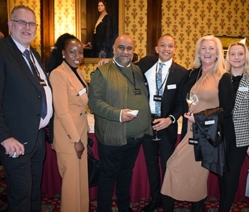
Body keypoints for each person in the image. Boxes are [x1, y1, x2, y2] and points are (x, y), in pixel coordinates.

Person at [161, 35, 234, 212]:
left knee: (191, 173)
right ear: (198, 52)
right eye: (203, 48)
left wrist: (200, 118)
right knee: (179, 168)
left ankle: (197, 207)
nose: (207, 52)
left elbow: (227, 110)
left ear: (217, 53)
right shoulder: (194, 73)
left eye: (211, 48)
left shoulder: (223, 77)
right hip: (189, 131)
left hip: (207, 135)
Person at [88, 34, 152, 212]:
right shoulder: (103, 72)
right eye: (121, 47)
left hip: (135, 138)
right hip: (113, 138)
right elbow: (94, 102)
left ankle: (124, 208)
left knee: (125, 175)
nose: (125, 51)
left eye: (129, 48)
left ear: (134, 51)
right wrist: (117, 115)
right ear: (114, 49)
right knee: (108, 177)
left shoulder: (137, 70)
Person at [0, 5, 53, 211]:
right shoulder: (3, 52)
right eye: (21, 22)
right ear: (10, 24)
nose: (27, 27)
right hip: (15, 139)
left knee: (33, 193)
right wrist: (4, 136)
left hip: (37, 137)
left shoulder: (34, 55)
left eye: (31, 24)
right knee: (20, 196)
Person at [137, 34, 188, 212]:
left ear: (175, 49)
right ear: (157, 49)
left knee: (167, 165)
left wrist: (170, 119)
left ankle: (168, 204)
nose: (166, 49)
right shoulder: (144, 65)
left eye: (170, 46)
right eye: (163, 45)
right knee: (151, 164)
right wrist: (107, 62)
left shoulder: (182, 73)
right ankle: (155, 199)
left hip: (167, 125)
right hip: (148, 123)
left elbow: (183, 103)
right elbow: (125, 66)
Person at [218, 42, 249, 212]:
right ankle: (224, 204)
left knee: (231, 174)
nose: (236, 57)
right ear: (228, 57)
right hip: (220, 131)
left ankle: (225, 208)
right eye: (233, 54)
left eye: (240, 54)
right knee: (221, 173)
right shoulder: (221, 77)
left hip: (241, 134)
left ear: (246, 57)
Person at [48, 33, 89, 212]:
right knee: (71, 185)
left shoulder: (78, 72)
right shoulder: (58, 74)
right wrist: (76, 140)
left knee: (80, 182)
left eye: (80, 52)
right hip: (69, 138)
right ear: (63, 53)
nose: (77, 56)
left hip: (81, 133)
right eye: (72, 52)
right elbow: (62, 111)